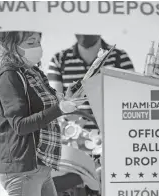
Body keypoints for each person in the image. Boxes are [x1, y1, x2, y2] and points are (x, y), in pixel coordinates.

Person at [0, 31, 82, 196]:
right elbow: (20, 125)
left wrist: (66, 99)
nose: (38, 48)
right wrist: (60, 108)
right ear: (12, 47)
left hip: (41, 165)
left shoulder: (34, 73)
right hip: (23, 168)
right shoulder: (9, 77)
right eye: (30, 43)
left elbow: (47, 107)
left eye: (38, 42)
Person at [47, 34, 135, 195]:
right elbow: (54, 107)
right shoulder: (59, 60)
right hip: (72, 153)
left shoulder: (119, 58)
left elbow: (130, 102)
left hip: (110, 150)